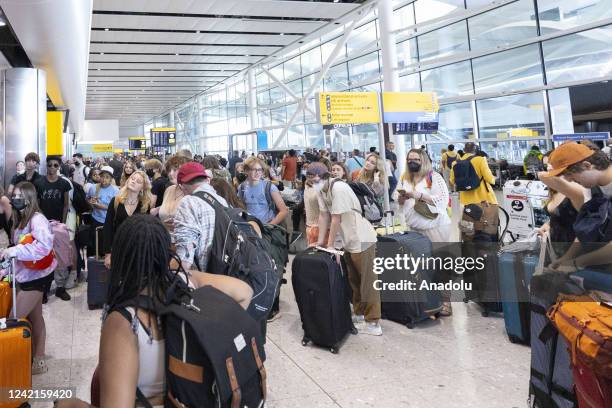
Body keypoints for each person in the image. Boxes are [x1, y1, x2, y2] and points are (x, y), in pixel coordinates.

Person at [54, 215, 253, 408]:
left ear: (122, 257)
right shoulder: (188, 282)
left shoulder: (124, 320)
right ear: (166, 252)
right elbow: (244, 292)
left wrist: (73, 404)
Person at [315, 167, 381, 335]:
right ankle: (359, 314)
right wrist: (320, 242)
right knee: (354, 280)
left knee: (367, 281)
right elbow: (324, 216)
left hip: (362, 237)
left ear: (324, 175)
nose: (312, 180)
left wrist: (329, 245)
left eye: (315, 177)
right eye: (309, 177)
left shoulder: (339, 188)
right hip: (348, 240)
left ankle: (373, 322)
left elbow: (336, 218)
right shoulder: (321, 190)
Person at [0, 182, 56, 374]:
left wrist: (14, 250)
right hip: (26, 274)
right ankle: (38, 359)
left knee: (13, 320)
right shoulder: (20, 218)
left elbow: (44, 247)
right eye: (13, 195)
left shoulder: (37, 219)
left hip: (37, 277)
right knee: (36, 317)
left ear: (29, 198)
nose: (15, 199)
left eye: (19, 196)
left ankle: (15, 362)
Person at [395, 149, 453, 315]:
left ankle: (446, 301)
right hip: (414, 228)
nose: (412, 161)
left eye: (416, 159)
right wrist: (401, 198)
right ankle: (430, 301)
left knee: (440, 264)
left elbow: (442, 200)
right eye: (409, 159)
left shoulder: (434, 177)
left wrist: (418, 195)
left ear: (424, 160)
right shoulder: (404, 177)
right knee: (423, 266)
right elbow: (397, 199)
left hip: (435, 226)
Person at [541, 142, 612, 272]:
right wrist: (566, 258)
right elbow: (588, 229)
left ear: (587, 166)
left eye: (572, 177)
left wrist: (576, 263)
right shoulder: (592, 188)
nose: (568, 181)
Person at [174, 162, 228, 271]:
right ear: (206, 180)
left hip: (206, 276)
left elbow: (185, 260)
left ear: (181, 186)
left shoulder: (188, 203)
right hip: (228, 271)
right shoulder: (221, 201)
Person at [34, 155, 72, 301]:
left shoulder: (64, 184)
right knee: (45, 256)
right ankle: (44, 289)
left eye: (55, 165)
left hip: (59, 225)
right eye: (50, 165)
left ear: (59, 167)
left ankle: (60, 288)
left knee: (61, 257)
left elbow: (66, 204)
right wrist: (43, 222)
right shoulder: (39, 183)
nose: (52, 168)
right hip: (42, 225)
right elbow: (36, 204)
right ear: (46, 165)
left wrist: (61, 224)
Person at [536, 151, 586, 257]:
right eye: (546, 166)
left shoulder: (577, 189)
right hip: (555, 249)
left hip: (574, 252)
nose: (548, 168)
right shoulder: (554, 189)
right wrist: (549, 224)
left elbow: (586, 228)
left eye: (552, 164)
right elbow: (562, 216)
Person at [103, 170, 152, 270]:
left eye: (138, 181)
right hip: (118, 248)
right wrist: (108, 254)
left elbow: (147, 232)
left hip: (137, 251)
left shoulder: (144, 205)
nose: (133, 181)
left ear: (143, 187)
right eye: (132, 179)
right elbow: (108, 228)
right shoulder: (116, 201)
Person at [238, 157, 288, 226]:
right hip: (250, 227)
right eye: (254, 170)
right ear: (246, 171)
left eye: (260, 170)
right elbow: (241, 207)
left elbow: (284, 210)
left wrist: (269, 226)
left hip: (266, 227)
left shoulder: (269, 187)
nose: (257, 172)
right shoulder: (242, 187)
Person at [86, 166, 119, 256]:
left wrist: (102, 206)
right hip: (96, 219)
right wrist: (91, 202)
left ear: (111, 179)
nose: (104, 179)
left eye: (107, 177)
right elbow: (88, 199)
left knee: (107, 245)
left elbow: (117, 208)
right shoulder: (94, 188)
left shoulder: (115, 190)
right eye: (102, 176)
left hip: (109, 221)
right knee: (95, 244)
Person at [157, 155, 191, 236]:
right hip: (165, 240)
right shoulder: (169, 190)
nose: (171, 173)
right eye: (169, 170)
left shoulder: (191, 192)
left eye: (175, 170)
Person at [303, 163, 328, 245]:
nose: (312, 177)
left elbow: (325, 212)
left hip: (321, 228)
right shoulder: (307, 184)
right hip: (310, 226)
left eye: (315, 175)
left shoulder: (322, 187)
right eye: (310, 174)